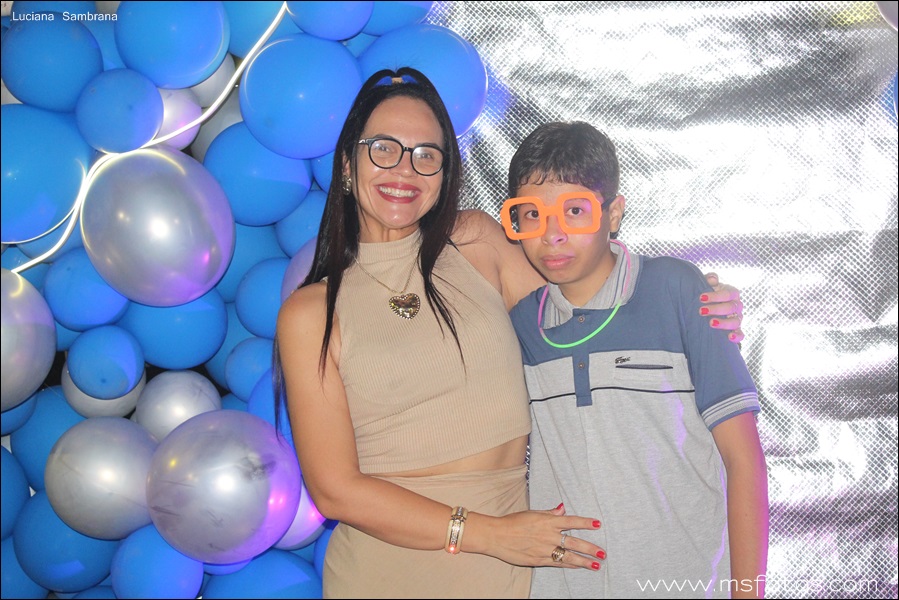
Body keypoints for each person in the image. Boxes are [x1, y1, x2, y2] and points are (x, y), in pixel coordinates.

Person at [274, 68, 745, 599]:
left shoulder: (476, 244)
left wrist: (693, 300)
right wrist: (490, 534)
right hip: (395, 569)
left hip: (521, 568)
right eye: (383, 148)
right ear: (347, 163)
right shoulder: (311, 313)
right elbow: (335, 491)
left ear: (445, 172)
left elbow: (590, 299)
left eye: (426, 154)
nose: (405, 169)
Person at [502, 121, 769, 599]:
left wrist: (747, 592)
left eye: (575, 211)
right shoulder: (522, 325)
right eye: (532, 216)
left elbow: (743, 459)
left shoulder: (676, 290)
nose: (553, 235)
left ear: (614, 213)